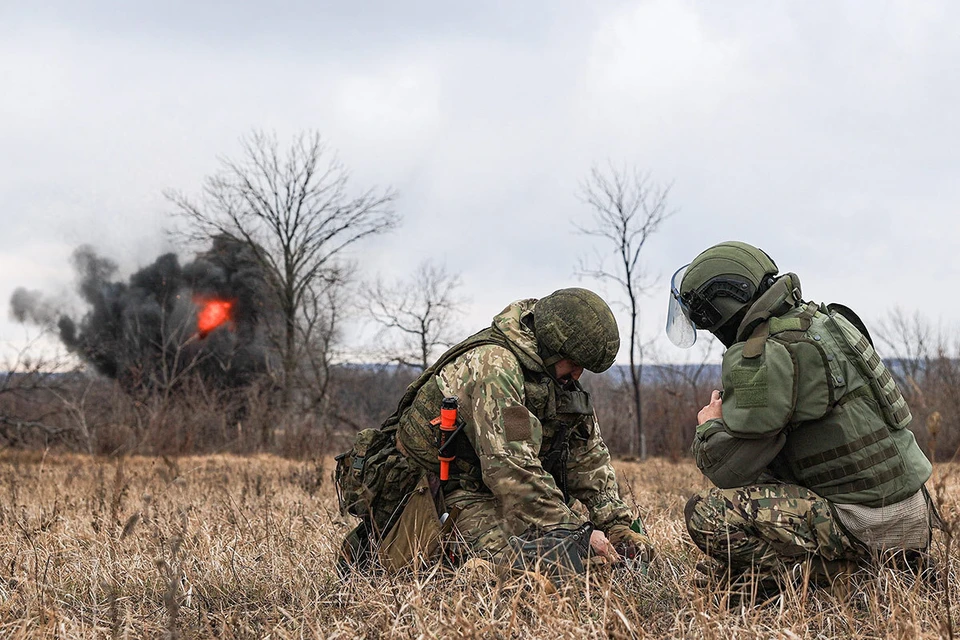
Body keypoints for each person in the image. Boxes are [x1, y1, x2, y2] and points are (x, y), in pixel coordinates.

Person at [666, 241, 940, 590]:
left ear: (721, 309)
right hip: (914, 515)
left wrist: (711, 427)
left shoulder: (768, 352)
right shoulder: (827, 322)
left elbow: (727, 469)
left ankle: (840, 577)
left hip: (864, 523)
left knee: (708, 513)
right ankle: (897, 561)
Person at [339, 287, 652, 582]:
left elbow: (588, 457)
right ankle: (462, 572)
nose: (577, 376)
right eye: (573, 364)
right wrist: (578, 535)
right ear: (553, 347)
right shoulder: (495, 366)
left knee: (585, 562)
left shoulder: (556, 377)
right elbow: (510, 468)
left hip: (493, 489)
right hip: (442, 491)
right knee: (542, 566)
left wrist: (618, 526)